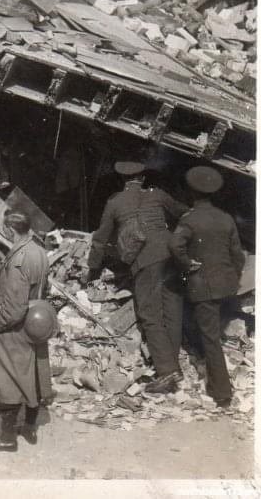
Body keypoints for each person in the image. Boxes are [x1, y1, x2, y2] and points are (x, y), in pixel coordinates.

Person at [84, 161, 188, 393]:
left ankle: (166, 371)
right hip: (171, 257)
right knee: (172, 310)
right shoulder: (158, 195)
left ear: (123, 180)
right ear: (142, 179)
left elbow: (100, 239)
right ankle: (174, 367)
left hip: (145, 262)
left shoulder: (114, 203)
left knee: (149, 314)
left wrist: (93, 268)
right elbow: (185, 214)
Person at [169, 166, 246, 409]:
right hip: (227, 285)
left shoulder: (189, 220)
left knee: (210, 338)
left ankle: (222, 392)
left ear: (191, 193)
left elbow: (174, 246)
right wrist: (232, 276)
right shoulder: (226, 218)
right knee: (214, 331)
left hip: (205, 287)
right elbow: (238, 255)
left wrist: (187, 264)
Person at [0, 212, 51, 452]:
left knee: (6, 377)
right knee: (32, 374)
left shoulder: (19, 258)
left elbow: (14, 308)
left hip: (15, 326)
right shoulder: (38, 251)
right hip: (33, 322)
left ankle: (7, 438)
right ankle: (30, 426)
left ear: (10, 231)